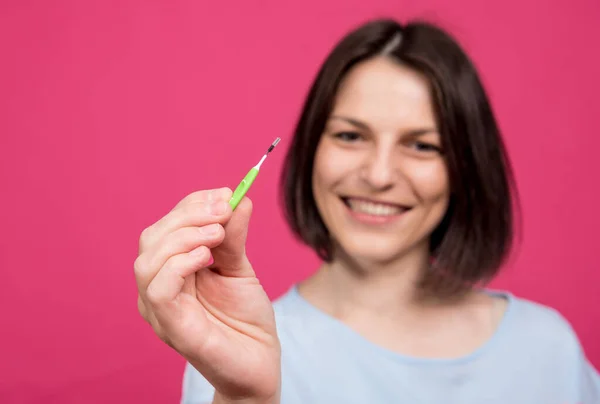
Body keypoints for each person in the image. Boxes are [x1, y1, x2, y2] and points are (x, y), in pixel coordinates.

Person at [134, 18, 600, 404]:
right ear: (312, 151)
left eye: (421, 145)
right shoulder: (232, 349)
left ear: (465, 167)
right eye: (350, 136)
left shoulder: (547, 351)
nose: (378, 175)